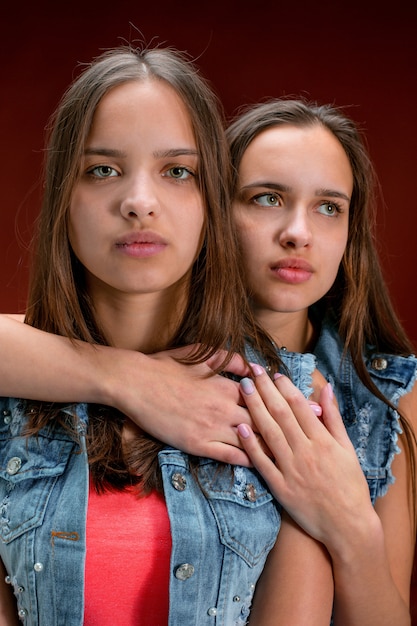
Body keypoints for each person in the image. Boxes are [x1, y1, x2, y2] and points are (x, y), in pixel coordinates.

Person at [0, 47, 335, 625]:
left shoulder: (283, 399)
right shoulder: (11, 396)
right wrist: (126, 378)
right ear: (63, 197)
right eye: (102, 169)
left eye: (178, 172)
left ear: (213, 202)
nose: (139, 203)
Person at [224, 98, 417, 624]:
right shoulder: (154, 360)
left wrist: (350, 526)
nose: (298, 232)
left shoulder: (387, 395)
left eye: (328, 207)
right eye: (267, 198)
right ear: (216, 211)